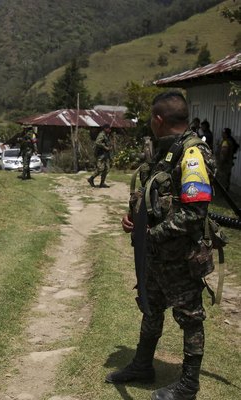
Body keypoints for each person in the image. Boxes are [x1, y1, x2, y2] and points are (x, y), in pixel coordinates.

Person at [107, 92, 215, 400]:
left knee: (190, 317)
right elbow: (156, 196)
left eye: (150, 121)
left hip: (181, 256)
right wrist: (135, 219)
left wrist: (152, 234)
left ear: (158, 120)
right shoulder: (166, 152)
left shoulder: (192, 154)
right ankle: (143, 365)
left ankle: (188, 386)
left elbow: (195, 214)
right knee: (150, 306)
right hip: (157, 256)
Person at [87, 124, 113, 188]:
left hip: (105, 155)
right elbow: (97, 142)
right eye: (108, 129)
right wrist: (105, 147)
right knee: (100, 169)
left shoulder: (107, 135)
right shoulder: (102, 135)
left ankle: (102, 183)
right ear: (105, 129)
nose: (110, 130)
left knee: (106, 169)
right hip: (100, 155)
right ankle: (91, 179)